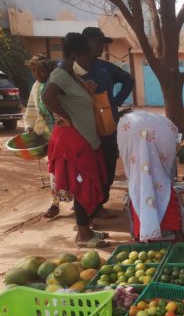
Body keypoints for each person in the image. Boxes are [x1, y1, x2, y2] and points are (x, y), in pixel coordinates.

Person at [42, 33, 108, 248]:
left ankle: (86, 228)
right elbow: (47, 96)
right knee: (82, 185)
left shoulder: (72, 75)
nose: (90, 59)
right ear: (73, 54)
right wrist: (66, 118)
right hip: (73, 141)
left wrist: (84, 90)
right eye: (87, 55)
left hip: (84, 137)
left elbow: (72, 99)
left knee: (88, 182)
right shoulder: (60, 75)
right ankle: (83, 236)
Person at [81, 27, 134, 218]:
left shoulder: (105, 68)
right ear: (86, 43)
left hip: (107, 126)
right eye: (98, 43)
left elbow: (129, 80)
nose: (102, 47)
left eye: (103, 43)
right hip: (84, 128)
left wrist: (116, 102)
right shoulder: (72, 69)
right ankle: (86, 207)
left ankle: (101, 202)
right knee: (87, 167)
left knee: (108, 163)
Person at [117, 110, 184, 242]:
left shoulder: (124, 125)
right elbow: (169, 151)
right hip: (160, 175)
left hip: (137, 175)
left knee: (139, 198)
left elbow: (125, 153)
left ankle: (140, 237)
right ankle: (178, 236)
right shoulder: (164, 124)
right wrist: (166, 169)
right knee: (164, 194)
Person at [23, 54, 63, 219]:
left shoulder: (58, 84)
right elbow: (31, 110)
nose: (37, 74)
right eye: (34, 71)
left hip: (64, 134)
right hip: (47, 135)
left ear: (49, 69)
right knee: (53, 171)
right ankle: (55, 203)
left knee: (68, 169)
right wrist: (29, 127)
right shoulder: (35, 87)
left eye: (40, 71)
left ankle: (78, 205)